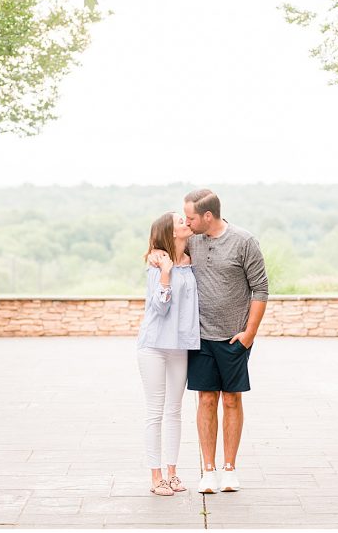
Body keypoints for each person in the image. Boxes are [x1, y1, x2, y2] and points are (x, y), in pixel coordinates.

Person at [182, 188, 268, 494]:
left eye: (190, 217)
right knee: (206, 399)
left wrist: (249, 335)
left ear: (208, 216)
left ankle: (230, 468)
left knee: (232, 399)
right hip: (201, 336)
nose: (186, 222)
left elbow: (260, 289)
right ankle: (208, 470)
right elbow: (162, 248)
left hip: (234, 337)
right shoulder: (190, 240)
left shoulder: (244, 241)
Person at [137, 212, 200, 496]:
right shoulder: (157, 265)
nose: (186, 223)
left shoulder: (191, 259)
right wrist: (165, 272)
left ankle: (173, 473)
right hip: (153, 345)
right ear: (170, 232)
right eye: (180, 221)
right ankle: (156, 477)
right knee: (155, 411)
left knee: (175, 411)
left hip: (180, 345)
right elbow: (160, 307)